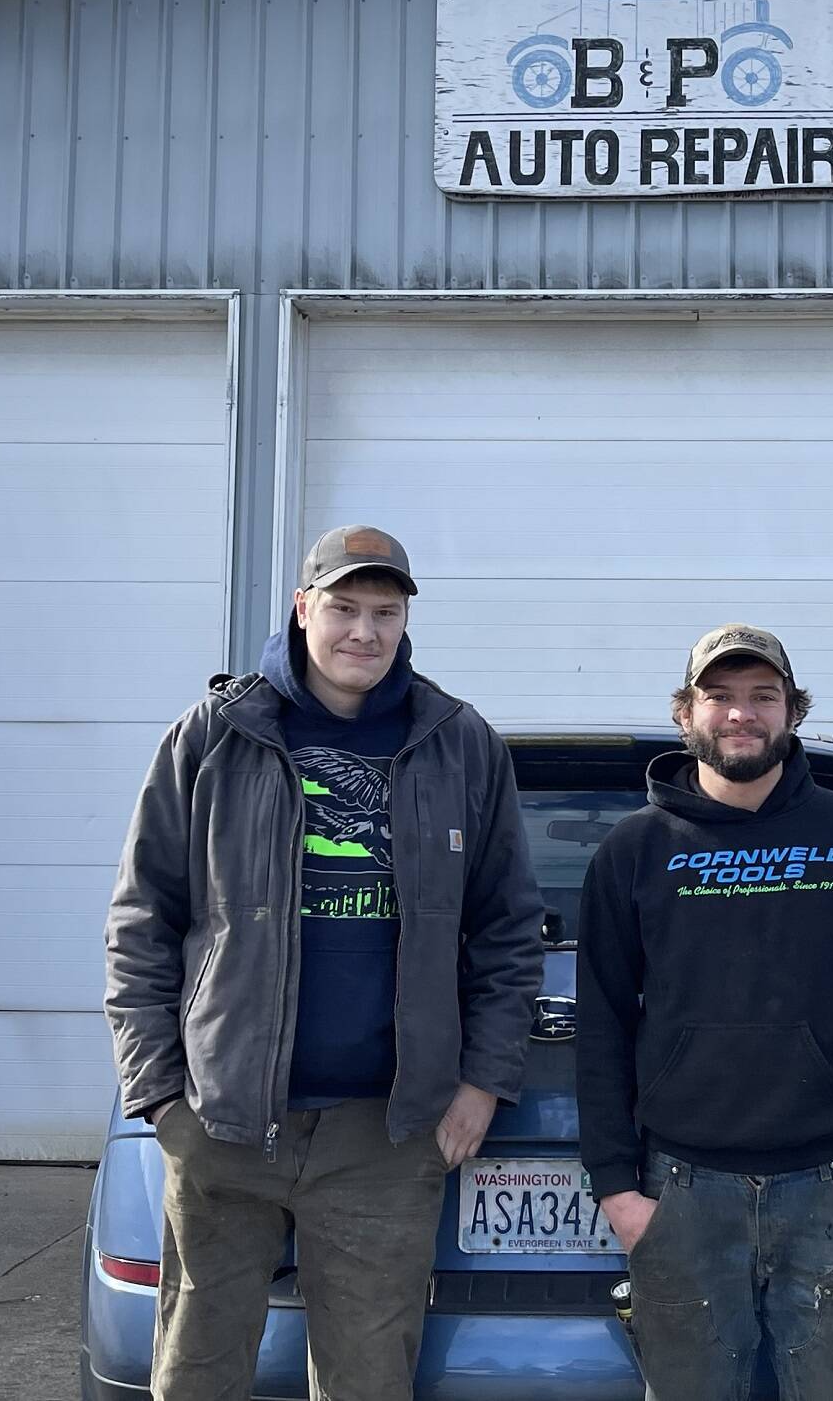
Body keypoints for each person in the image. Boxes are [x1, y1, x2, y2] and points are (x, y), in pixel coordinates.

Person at [105, 524, 542, 1401]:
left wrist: (482, 1080)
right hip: (225, 1120)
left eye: (385, 611)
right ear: (303, 608)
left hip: (382, 1133)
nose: (364, 632)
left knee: (367, 1384)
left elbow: (506, 931)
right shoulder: (213, 736)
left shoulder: (459, 743)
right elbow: (141, 917)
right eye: (344, 606)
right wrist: (157, 1091)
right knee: (194, 1374)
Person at [576, 624, 833, 1401]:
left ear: (791, 712)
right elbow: (602, 1025)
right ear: (685, 712)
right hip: (680, 1193)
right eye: (719, 696)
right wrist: (617, 1188)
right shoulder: (632, 851)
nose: (740, 714)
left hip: (829, 1189)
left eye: (761, 697)